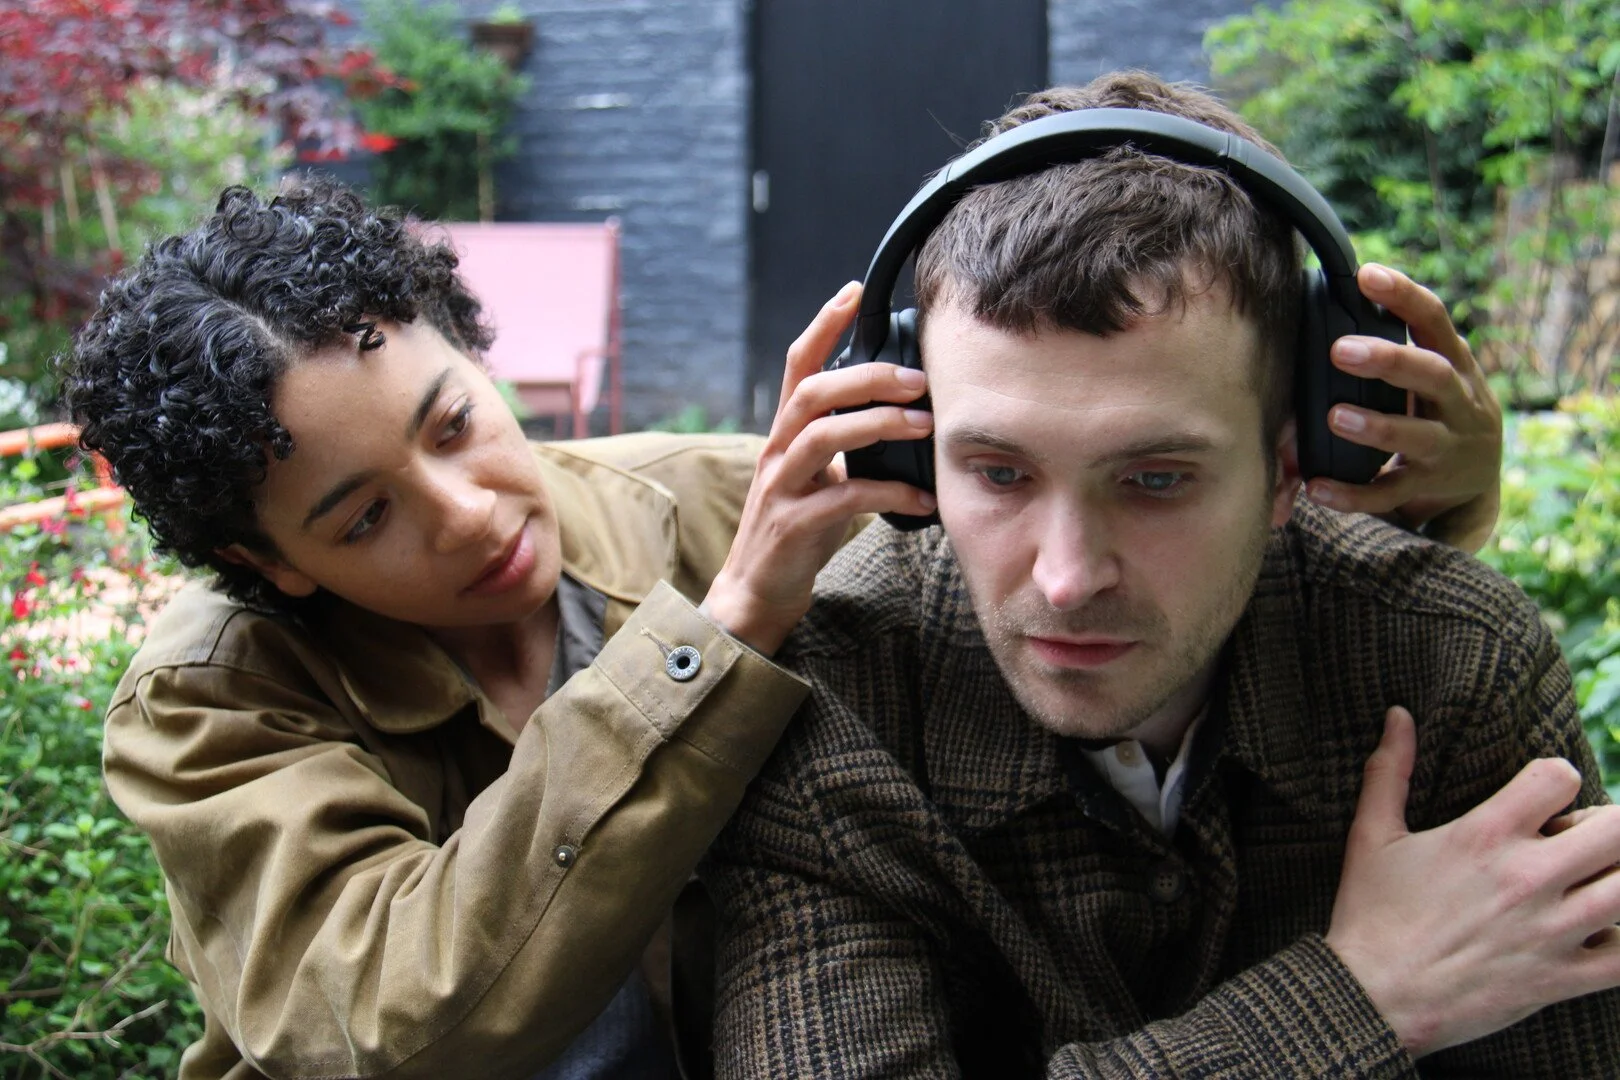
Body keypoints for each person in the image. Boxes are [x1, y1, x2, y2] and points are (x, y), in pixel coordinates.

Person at [62, 164, 1490, 1076]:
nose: (467, 511)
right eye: (362, 517)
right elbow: (387, 1022)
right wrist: (721, 630)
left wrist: (1432, 502)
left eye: (455, 423)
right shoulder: (208, 702)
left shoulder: (719, 499)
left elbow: (1099, 538)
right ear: (277, 564)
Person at [702, 72, 1620, 1078]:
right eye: (998, 472)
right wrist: (1362, 997)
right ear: (911, 457)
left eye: (1155, 479)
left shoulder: (1452, 659)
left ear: (1291, 465)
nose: (1065, 579)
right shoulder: (830, 699)